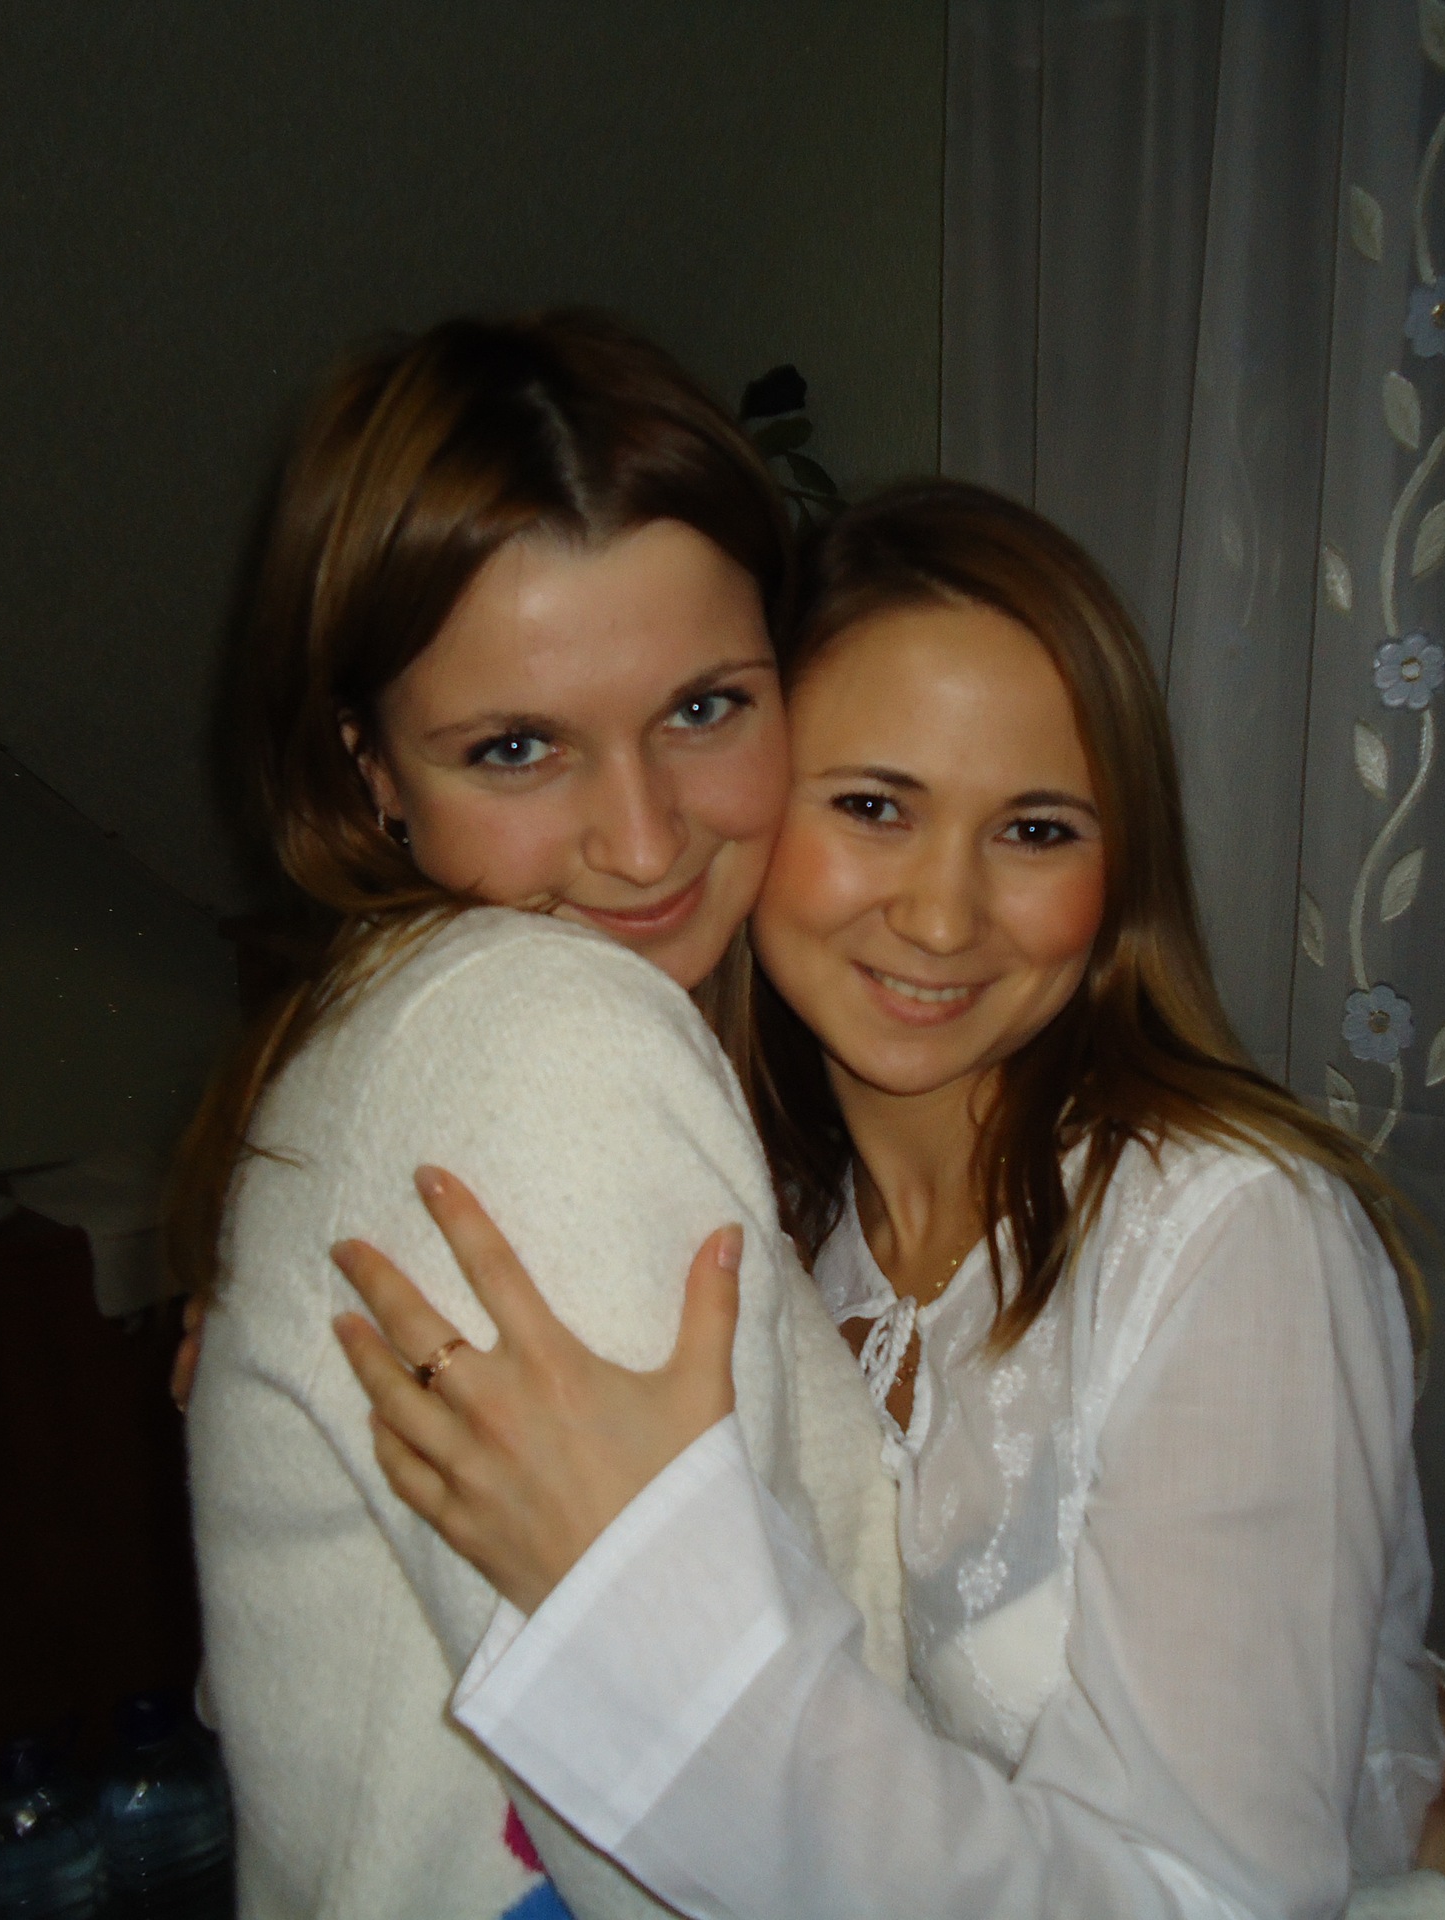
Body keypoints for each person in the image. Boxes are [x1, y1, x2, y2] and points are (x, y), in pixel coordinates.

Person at [177, 310, 1445, 1920]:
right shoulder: (766, 1208)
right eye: (871, 805)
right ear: (370, 771)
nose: (939, 916)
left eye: (1037, 829)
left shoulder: (1221, 1235)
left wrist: (1375, 1743)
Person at [173, 311, 903, 1920]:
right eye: (516, 749)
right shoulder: (546, 1036)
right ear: (372, 772)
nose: (641, 842)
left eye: (705, 709)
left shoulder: (455, 1024)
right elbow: (716, 1851)